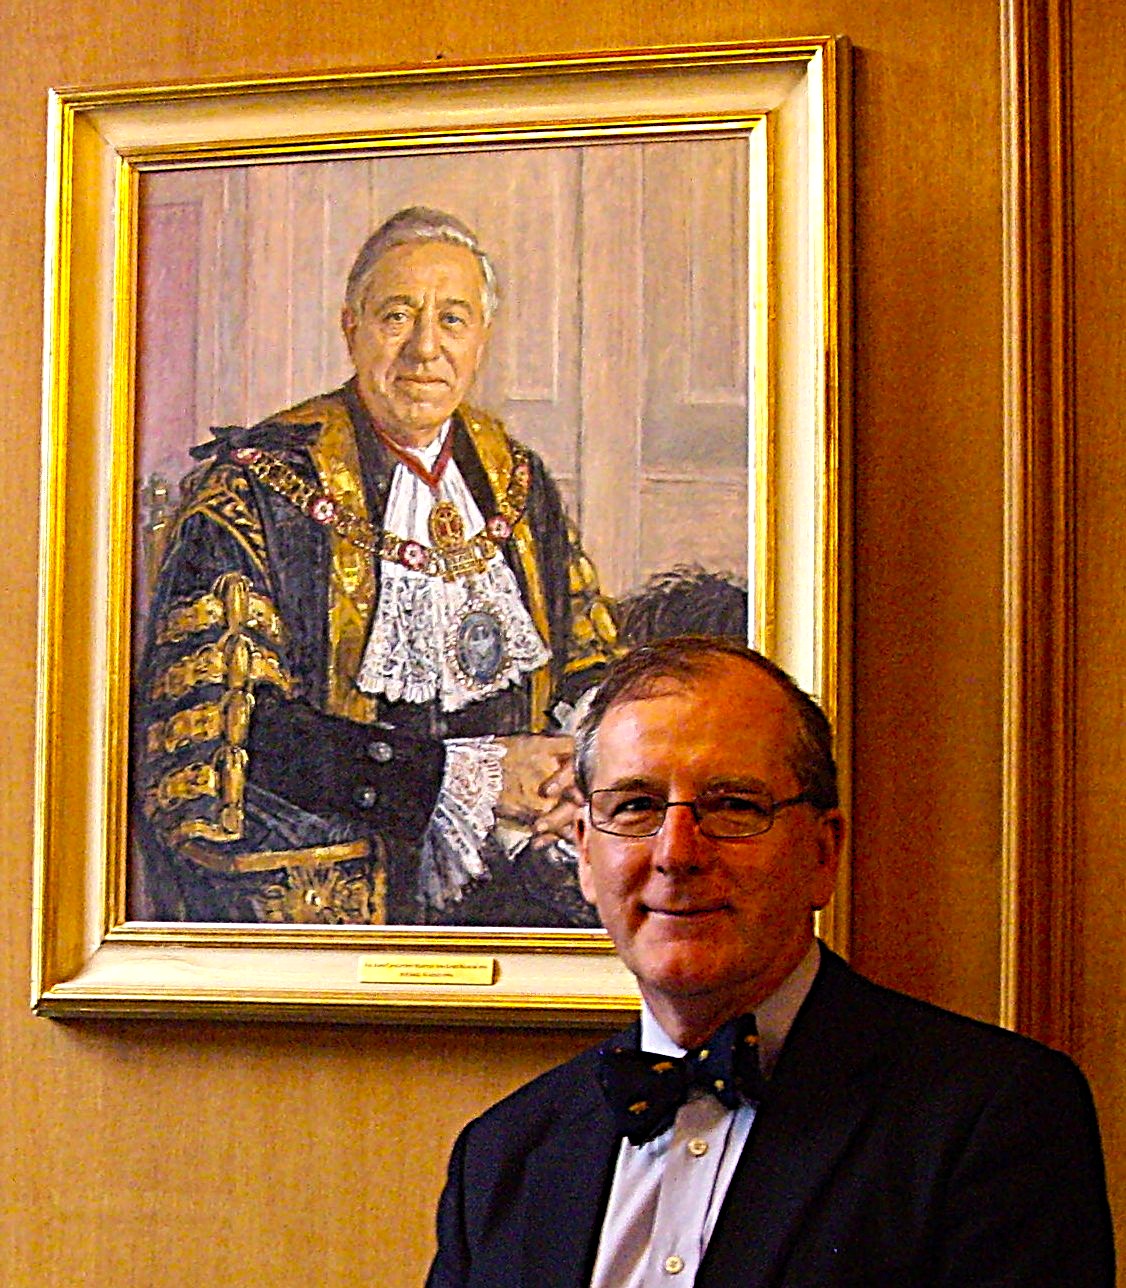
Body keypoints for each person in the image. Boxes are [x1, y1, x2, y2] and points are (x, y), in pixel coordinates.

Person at [427, 636, 1114, 1286]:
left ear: (822, 852)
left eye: (733, 806)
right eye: (636, 806)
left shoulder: (992, 1117)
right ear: (584, 851)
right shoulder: (503, 1155)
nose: (676, 853)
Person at [132, 207, 616, 926]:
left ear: (482, 337)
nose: (426, 349)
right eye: (397, 317)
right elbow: (228, 733)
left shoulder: (517, 477)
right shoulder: (256, 489)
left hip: (519, 860)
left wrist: (575, 776)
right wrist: (457, 780)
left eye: (453, 320)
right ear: (350, 328)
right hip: (339, 872)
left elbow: (588, 660)